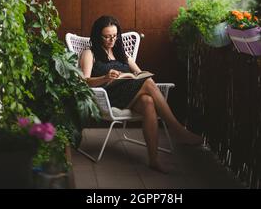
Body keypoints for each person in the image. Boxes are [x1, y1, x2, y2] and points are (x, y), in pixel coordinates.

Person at [79, 15, 203, 173]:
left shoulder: (122, 54)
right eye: (107, 36)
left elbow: (139, 73)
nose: (112, 40)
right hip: (108, 97)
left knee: (148, 102)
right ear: (97, 36)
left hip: (129, 93)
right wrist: (105, 77)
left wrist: (136, 75)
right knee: (148, 83)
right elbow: (84, 82)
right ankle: (178, 131)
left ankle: (154, 160)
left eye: (115, 36)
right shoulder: (90, 54)